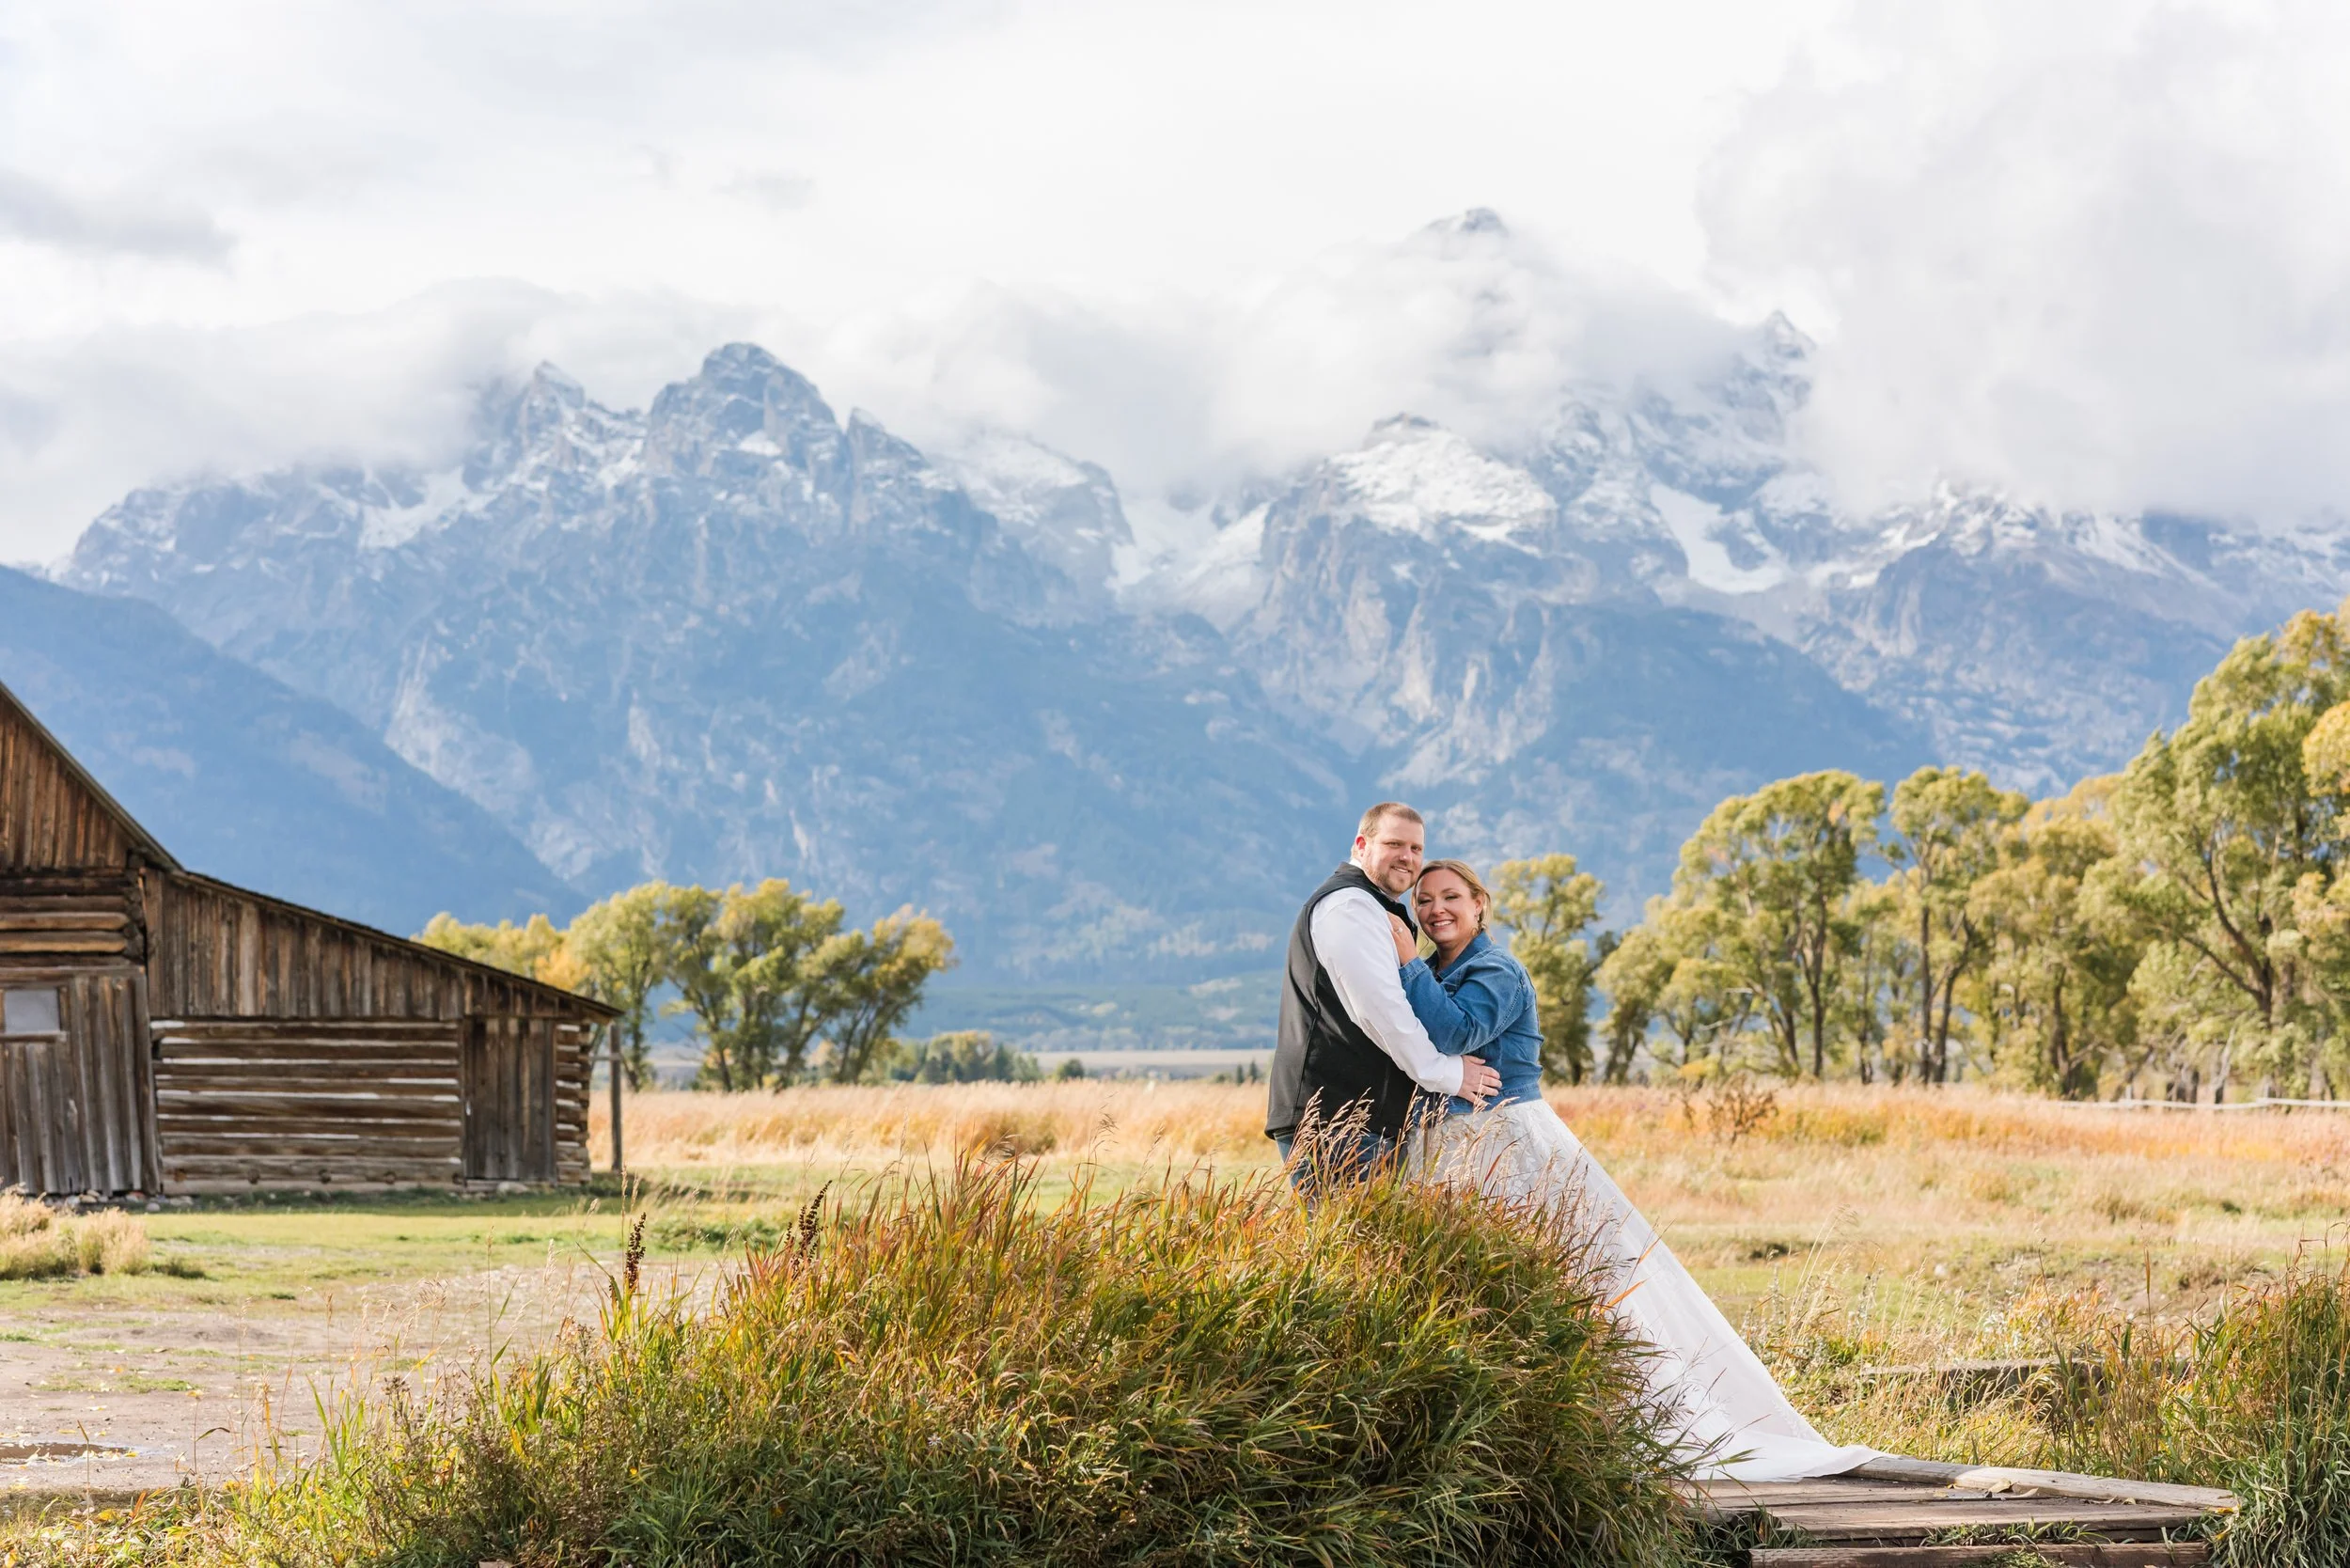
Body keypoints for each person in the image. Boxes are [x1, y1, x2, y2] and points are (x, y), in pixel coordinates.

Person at [1387, 857, 1876, 1484]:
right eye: (1423, 901)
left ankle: (1644, 1420)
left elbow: (1459, 1032)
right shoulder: (1430, 972)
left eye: (1450, 896)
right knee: (1484, 1290)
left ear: (1479, 904)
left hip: (1507, 1142)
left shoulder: (1496, 970)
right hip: (1449, 1147)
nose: (1435, 911)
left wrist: (1403, 965)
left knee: (1583, 1285)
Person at [1264, 803, 1502, 1195]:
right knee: (1352, 1252)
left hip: (1362, 1122)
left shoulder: (1371, 906)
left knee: (1378, 1254)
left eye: (1416, 849)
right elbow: (1382, 1012)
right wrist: (1449, 1074)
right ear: (1361, 844)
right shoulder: (1349, 906)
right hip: (1336, 1124)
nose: (1408, 858)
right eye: (1394, 844)